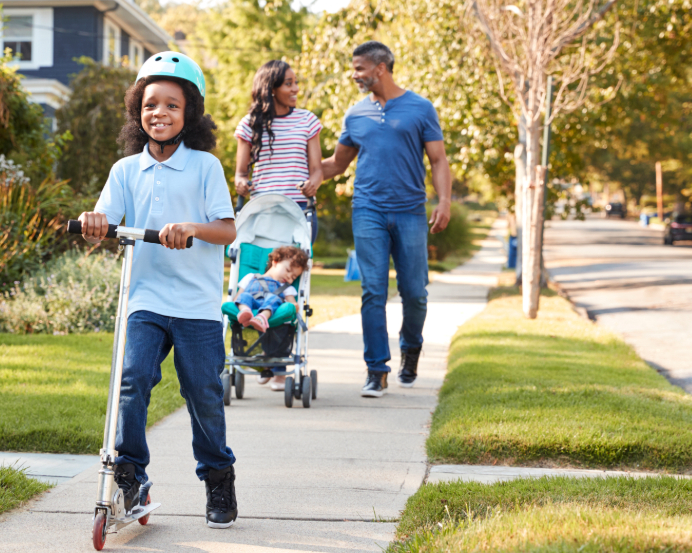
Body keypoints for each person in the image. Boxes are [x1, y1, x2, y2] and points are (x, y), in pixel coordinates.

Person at [77, 51, 239, 529]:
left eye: (171, 105)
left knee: (202, 392)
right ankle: (130, 478)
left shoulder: (205, 166)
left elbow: (227, 230)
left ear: (189, 113)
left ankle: (218, 479)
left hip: (197, 304)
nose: (159, 114)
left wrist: (192, 227)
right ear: (137, 110)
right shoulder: (126, 170)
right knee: (132, 379)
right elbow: (105, 220)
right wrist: (94, 221)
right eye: (150, 104)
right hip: (145, 299)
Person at [320, 41, 453, 398]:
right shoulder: (355, 115)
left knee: (415, 293)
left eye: (360, 68)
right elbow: (337, 163)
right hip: (368, 209)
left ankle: (411, 348)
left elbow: (438, 160)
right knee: (372, 291)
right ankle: (376, 370)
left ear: (381, 67)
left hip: (410, 210)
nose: (354, 75)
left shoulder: (420, 108)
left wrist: (444, 201)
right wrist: (301, 172)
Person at [234, 60, 323, 243]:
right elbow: (240, 174)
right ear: (271, 89)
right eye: (288, 84)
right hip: (261, 210)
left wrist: (312, 184)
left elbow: (317, 171)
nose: (296, 89)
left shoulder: (307, 120)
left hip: (299, 209)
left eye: (296, 82)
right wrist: (241, 183)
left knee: (293, 269)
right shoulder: (249, 124)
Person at [233, 245, 308, 391]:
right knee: (244, 296)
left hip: (273, 315)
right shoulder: (250, 277)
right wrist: (243, 305)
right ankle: (246, 313)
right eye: (288, 271)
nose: (289, 278)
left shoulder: (287, 288)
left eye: (293, 277)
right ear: (275, 261)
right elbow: (237, 297)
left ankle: (262, 317)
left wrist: (292, 305)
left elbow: (293, 305)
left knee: (273, 299)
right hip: (251, 307)